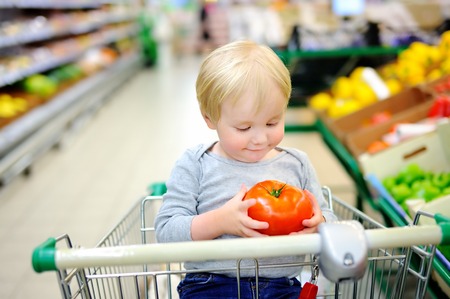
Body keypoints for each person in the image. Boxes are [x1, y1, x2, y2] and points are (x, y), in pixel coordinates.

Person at [155, 40, 336, 299]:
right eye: (244, 128)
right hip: (210, 286)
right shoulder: (196, 164)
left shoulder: (297, 164)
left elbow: (328, 216)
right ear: (209, 118)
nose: (260, 138)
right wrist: (220, 221)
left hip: (282, 287)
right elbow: (166, 231)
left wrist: (320, 225)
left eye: (273, 122)